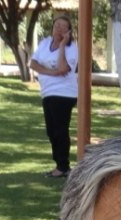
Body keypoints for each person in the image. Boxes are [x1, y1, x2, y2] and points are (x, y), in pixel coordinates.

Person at [30, 15, 78, 178]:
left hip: (64, 94)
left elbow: (63, 68)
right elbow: (33, 63)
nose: (59, 29)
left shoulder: (72, 48)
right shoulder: (45, 43)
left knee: (60, 130)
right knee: (51, 131)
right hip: (47, 92)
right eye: (57, 25)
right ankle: (59, 164)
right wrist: (51, 72)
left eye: (63, 27)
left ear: (69, 31)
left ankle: (63, 166)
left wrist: (62, 45)